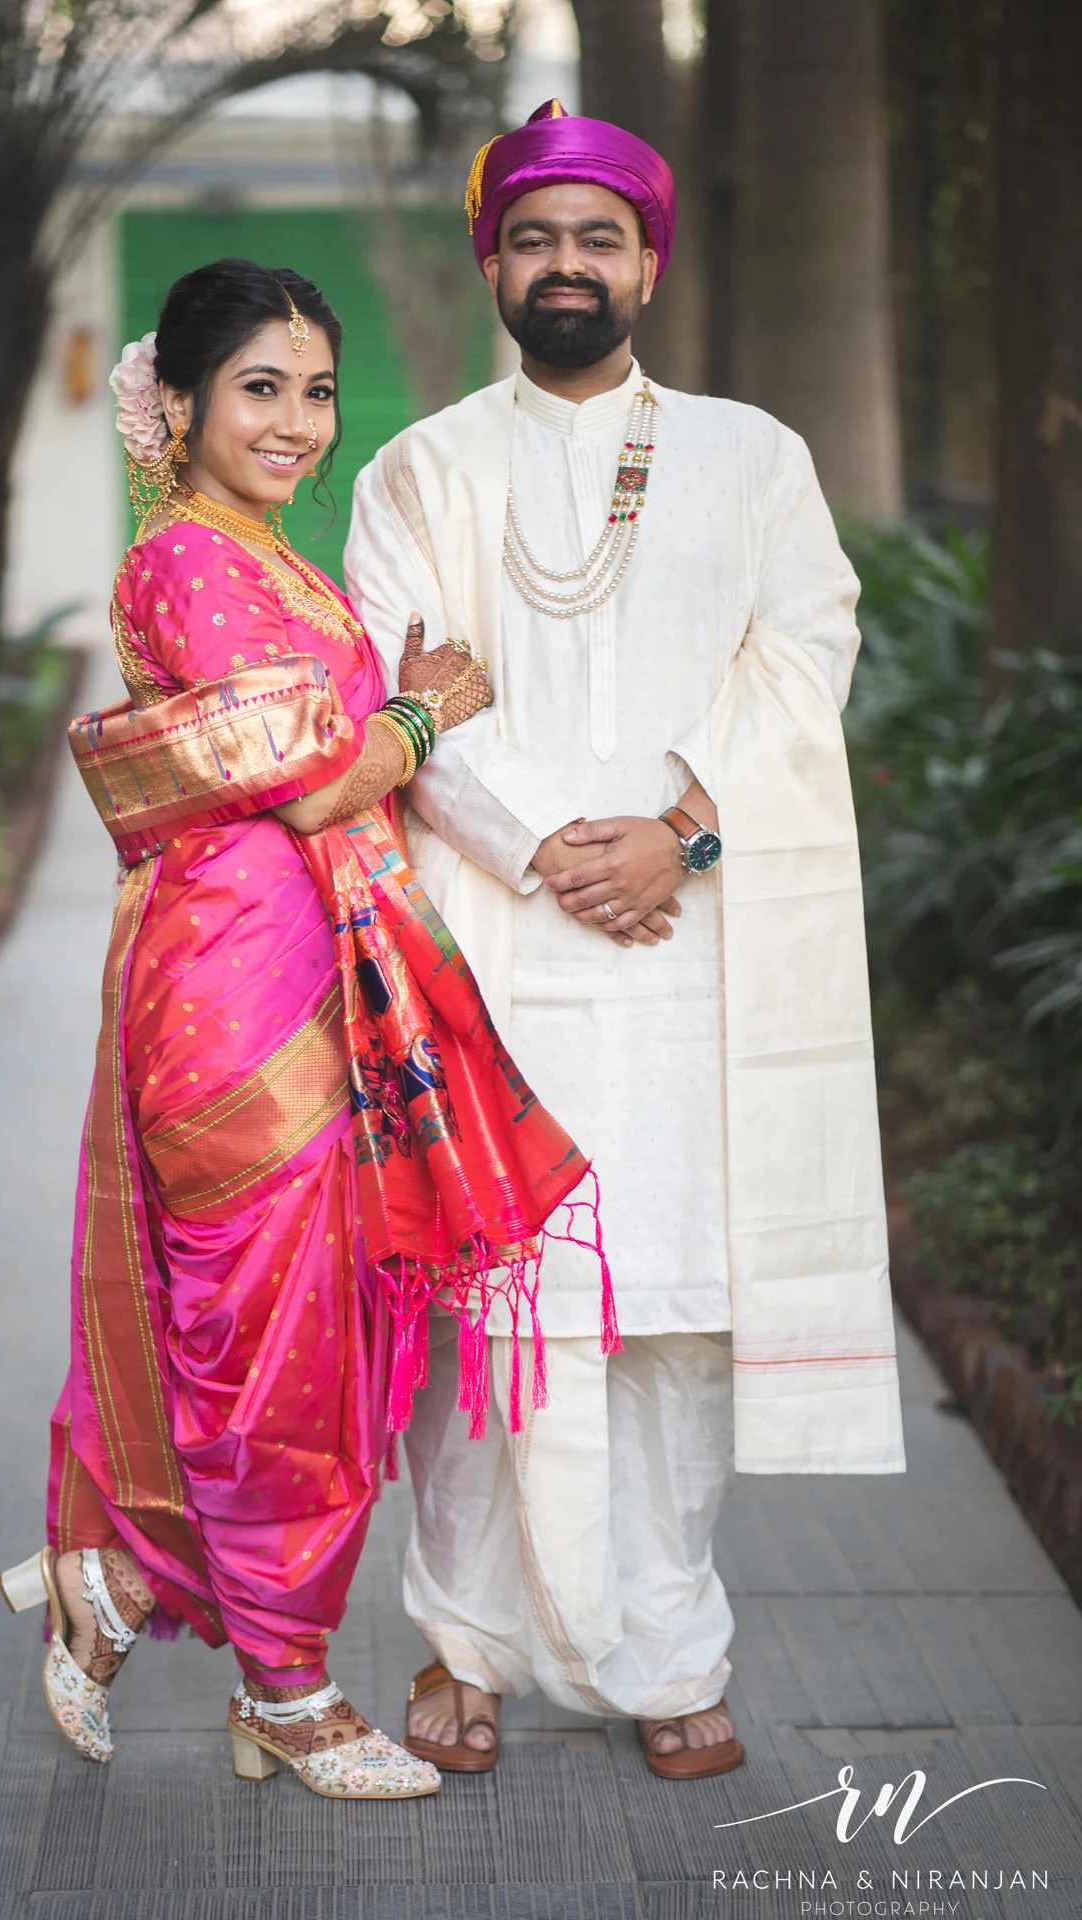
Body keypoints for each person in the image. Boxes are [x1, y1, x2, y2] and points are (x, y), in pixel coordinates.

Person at [345, 101, 907, 1781]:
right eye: (535, 238)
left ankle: (669, 1653)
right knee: (485, 1330)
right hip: (491, 953)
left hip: (693, 956)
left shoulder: (755, 455)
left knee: (667, 1317)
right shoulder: (421, 467)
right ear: (494, 265)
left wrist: (679, 830)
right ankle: (467, 1648)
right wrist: (543, 850)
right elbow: (399, 684)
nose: (567, 264)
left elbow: (806, 653)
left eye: (597, 238)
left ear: (647, 262)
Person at [0, 259, 606, 1800]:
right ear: (182, 404)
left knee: (321, 1342)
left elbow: (312, 761)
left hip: (311, 970)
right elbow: (308, 777)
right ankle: (278, 1686)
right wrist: (418, 715)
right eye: (260, 388)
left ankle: (129, 1583)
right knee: (272, 1346)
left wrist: (385, 719)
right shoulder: (193, 567)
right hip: (233, 992)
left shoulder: (271, 558)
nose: (295, 419)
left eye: (316, 390)